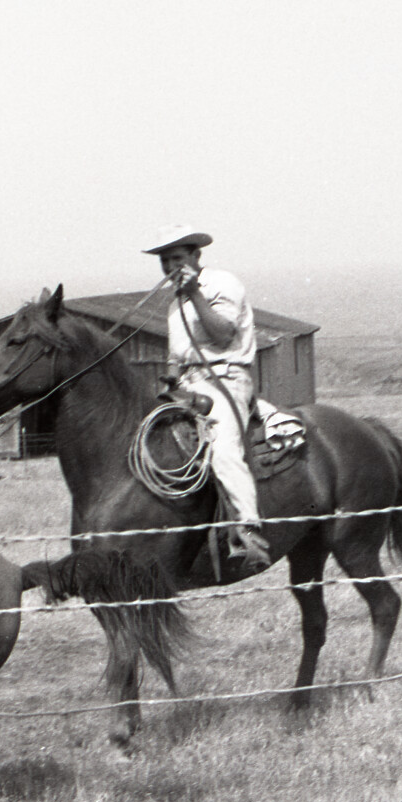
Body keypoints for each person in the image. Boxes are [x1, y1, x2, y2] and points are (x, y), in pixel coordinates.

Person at [143, 225, 272, 571]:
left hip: (225, 379)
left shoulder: (222, 284)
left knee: (224, 449)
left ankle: (248, 528)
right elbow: (177, 352)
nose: (171, 267)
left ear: (196, 256)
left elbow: (224, 334)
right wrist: (170, 378)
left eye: (178, 258)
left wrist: (196, 294)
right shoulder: (174, 303)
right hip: (188, 384)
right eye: (165, 261)